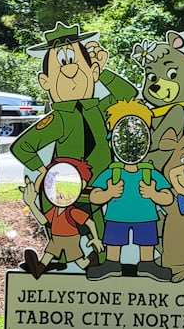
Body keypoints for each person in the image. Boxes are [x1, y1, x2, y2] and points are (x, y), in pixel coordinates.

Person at [10, 21, 138, 252]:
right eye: (60, 67)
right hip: (67, 191)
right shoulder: (59, 119)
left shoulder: (99, 108)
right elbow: (22, 147)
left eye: (77, 63)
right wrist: (46, 173)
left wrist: (104, 71)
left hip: (102, 185)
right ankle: (61, 262)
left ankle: (97, 265)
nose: (70, 70)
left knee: (100, 234)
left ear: (93, 72)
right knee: (66, 234)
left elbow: (128, 95)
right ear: (45, 81)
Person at [87, 98, 174, 281]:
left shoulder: (149, 172)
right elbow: (94, 196)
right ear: (112, 143)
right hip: (117, 217)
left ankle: (147, 264)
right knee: (113, 240)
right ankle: (112, 263)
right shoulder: (112, 172)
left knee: (147, 241)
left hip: (145, 217)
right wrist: (108, 193)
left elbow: (168, 197)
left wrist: (153, 194)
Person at [19, 158, 103, 279]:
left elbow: (90, 222)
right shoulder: (55, 210)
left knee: (80, 262)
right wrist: (31, 204)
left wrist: (96, 239)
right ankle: (38, 269)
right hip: (55, 239)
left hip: (71, 240)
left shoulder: (72, 211)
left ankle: (92, 260)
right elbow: (44, 221)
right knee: (47, 256)